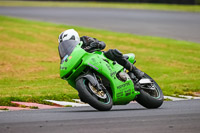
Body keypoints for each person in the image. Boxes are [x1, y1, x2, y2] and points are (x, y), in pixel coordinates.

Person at [58, 29, 144, 80]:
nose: (68, 45)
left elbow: (102, 43)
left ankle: (135, 70)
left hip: (99, 57)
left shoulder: (85, 39)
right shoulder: (71, 51)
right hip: (85, 63)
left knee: (113, 52)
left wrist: (96, 44)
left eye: (69, 42)